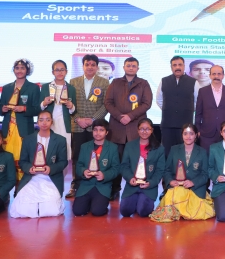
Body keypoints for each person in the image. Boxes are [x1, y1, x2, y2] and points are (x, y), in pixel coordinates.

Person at [104, 57, 153, 200]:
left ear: (138, 68)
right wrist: (120, 116)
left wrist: (130, 116)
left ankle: (137, 187)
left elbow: (147, 103)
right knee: (116, 160)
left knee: (136, 159)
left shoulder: (143, 83)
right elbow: (108, 102)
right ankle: (115, 188)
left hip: (135, 127)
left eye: (134, 66)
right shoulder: (115, 82)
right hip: (117, 127)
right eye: (128, 65)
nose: (131, 68)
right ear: (124, 67)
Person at [9, 111, 68, 218]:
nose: (44, 123)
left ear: (52, 122)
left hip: (51, 178)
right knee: (24, 210)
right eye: (41, 120)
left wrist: (50, 168)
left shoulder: (60, 140)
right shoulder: (28, 139)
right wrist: (29, 168)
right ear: (37, 122)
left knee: (50, 210)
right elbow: (23, 161)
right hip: (32, 178)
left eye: (47, 120)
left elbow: (63, 162)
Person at [150, 124, 215, 222]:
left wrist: (193, 182)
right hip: (176, 188)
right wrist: (170, 181)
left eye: (191, 134)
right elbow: (167, 170)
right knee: (173, 205)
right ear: (182, 135)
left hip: (195, 189)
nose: (188, 136)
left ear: (196, 135)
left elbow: (205, 174)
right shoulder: (174, 149)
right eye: (185, 134)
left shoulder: (202, 151)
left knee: (194, 214)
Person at [67, 54, 110, 198]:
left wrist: (93, 120)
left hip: (95, 127)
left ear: (97, 67)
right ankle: (76, 185)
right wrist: (78, 118)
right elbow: (69, 104)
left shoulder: (104, 82)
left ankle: (95, 184)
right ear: (83, 66)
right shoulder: (73, 82)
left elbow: (106, 105)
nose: (90, 67)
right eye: (87, 64)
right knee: (77, 156)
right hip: (77, 125)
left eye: (93, 64)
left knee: (96, 156)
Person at [0, 58, 40, 188]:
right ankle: (5, 189)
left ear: (27, 70)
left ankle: (23, 188)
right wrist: (2, 109)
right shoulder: (6, 88)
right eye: (17, 68)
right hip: (8, 129)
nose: (19, 70)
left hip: (24, 130)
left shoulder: (33, 88)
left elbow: (37, 109)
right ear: (14, 70)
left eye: (22, 68)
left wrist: (24, 108)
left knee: (23, 158)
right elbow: (0, 108)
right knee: (7, 159)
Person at [73, 119, 121, 217]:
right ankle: (90, 202)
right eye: (95, 130)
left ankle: (98, 203)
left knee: (97, 212)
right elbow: (79, 166)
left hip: (102, 186)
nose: (98, 133)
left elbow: (116, 169)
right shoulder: (84, 146)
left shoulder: (113, 148)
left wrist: (104, 175)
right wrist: (83, 172)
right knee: (78, 211)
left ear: (106, 132)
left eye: (101, 130)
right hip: (86, 185)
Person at [119, 118, 165, 218]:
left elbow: (160, 170)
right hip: (132, 185)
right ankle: (135, 201)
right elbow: (124, 166)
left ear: (152, 130)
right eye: (142, 129)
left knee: (144, 212)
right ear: (138, 130)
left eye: (147, 129)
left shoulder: (159, 148)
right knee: (125, 211)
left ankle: (141, 202)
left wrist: (151, 183)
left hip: (148, 187)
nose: (144, 131)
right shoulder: (129, 145)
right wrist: (130, 178)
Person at [156, 56, 197, 157]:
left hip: (186, 125)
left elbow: (197, 101)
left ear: (184, 66)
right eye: (174, 65)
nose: (177, 67)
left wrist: (186, 110)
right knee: (167, 153)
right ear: (171, 67)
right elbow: (159, 100)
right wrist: (170, 110)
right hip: (167, 125)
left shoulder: (194, 82)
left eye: (180, 65)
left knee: (184, 153)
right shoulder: (164, 81)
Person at [39, 60, 77, 160]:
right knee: (48, 150)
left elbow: (74, 111)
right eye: (57, 70)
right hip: (49, 123)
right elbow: (39, 107)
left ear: (66, 71)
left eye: (62, 70)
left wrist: (71, 106)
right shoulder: (45, 87)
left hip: (64, 124)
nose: (60, 72)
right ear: (53, 72)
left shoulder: (71, 88)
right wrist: (44, 103)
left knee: (64, 151)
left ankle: (63, 170)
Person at [195, 65, 225, 151]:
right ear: (210, 75)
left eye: (219, 74)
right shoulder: (202, 91)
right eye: (214, 74)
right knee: (207, 157)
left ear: (223, 76)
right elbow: (198, 113)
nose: (216, 76)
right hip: (206, 133)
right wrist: (198, 129)